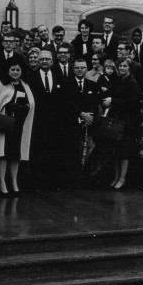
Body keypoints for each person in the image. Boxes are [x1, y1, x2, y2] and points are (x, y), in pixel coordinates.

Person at [0, 57, 35, 195]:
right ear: (7, 70)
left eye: (18, 70)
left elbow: (31, 103)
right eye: (12, 69)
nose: (15, 72)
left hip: (20, 124)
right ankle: (2, 182)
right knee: (3, 154)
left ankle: (14, 182)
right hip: (4, 123)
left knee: (16, 154)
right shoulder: (0, 83)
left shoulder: (25, 84)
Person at [28, 50, 65, 192]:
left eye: (47, 59)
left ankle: (51, 182)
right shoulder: (31, 77)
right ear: (37, 61)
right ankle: (37, 183)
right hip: (37, 121)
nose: (44, 61)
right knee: (38, 152)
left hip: (55, 122)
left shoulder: (59, 76)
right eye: (41, 59)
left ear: (52, 61)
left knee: (53, 151)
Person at [103, 58, 139, 190]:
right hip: (116, 121)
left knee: (124, 153)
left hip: (126, 122)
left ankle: (122, 178)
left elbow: (131, 103)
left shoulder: (132, 83)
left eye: (125, 66)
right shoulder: (118, 80)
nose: (122, 68)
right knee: (115, 152)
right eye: (120, 66)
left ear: (129, 68)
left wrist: (113, 101)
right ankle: (116, 176)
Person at [61, 58, 98, 188]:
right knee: (72, 152)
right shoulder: (66, 83)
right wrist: (81, 114)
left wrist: (89, 118)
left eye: (82, 67)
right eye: (77, 67)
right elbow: (67, 102)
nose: (79, 70)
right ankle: (72, 180)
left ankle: (85, 180)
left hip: (87, 124)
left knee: (86, 151)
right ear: (73, 69)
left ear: (86, 68)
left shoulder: (92, 84)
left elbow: (94, 103)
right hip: (71, 123)